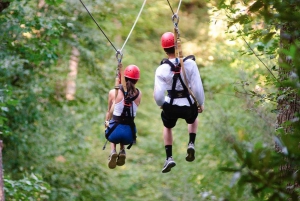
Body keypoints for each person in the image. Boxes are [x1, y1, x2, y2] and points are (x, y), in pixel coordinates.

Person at [153, 32, 205, 173]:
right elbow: (197, 88)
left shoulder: (161, 69)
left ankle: (169, 157)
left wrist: (162, 104)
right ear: (178, 46)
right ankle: (191, 143)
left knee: (167, 126)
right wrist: (200, 103)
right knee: (193, 118)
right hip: (188, 104)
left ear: (164, 49)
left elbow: (158, 95)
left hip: (171, 105)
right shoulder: (190, 64)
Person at [105, 64, 142, 169]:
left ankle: (113, 150)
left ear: (125, 78)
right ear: (137, 80)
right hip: (129, 135)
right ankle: (122, 149)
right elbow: (128, 96)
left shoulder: (113, 93)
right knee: (125, 122)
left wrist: (106, 123)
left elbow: (109, 111)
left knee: (112, 123)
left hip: (114, 133)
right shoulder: (139, 95)